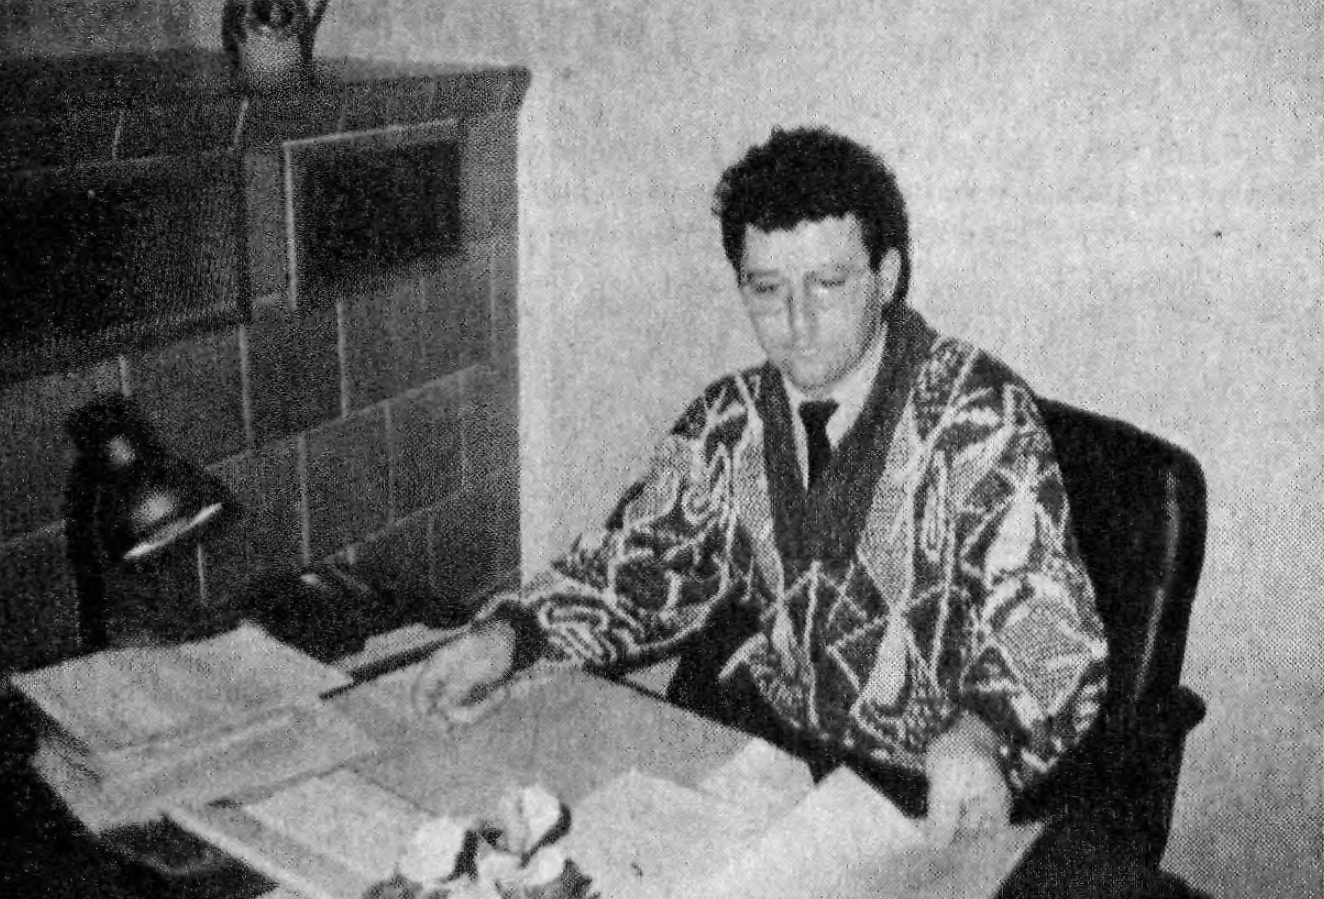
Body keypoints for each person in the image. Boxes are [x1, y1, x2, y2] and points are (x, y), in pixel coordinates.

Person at [413, 126, 1108, 846]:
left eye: (828, 284)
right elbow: (642, 566)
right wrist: (511, 636)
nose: (797, 323)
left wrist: (980, 735)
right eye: (767, 289)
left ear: (887, 275)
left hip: (932, 790)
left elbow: (1046, 625)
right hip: (779, 764)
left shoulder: (978, 417)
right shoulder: (729, 421)